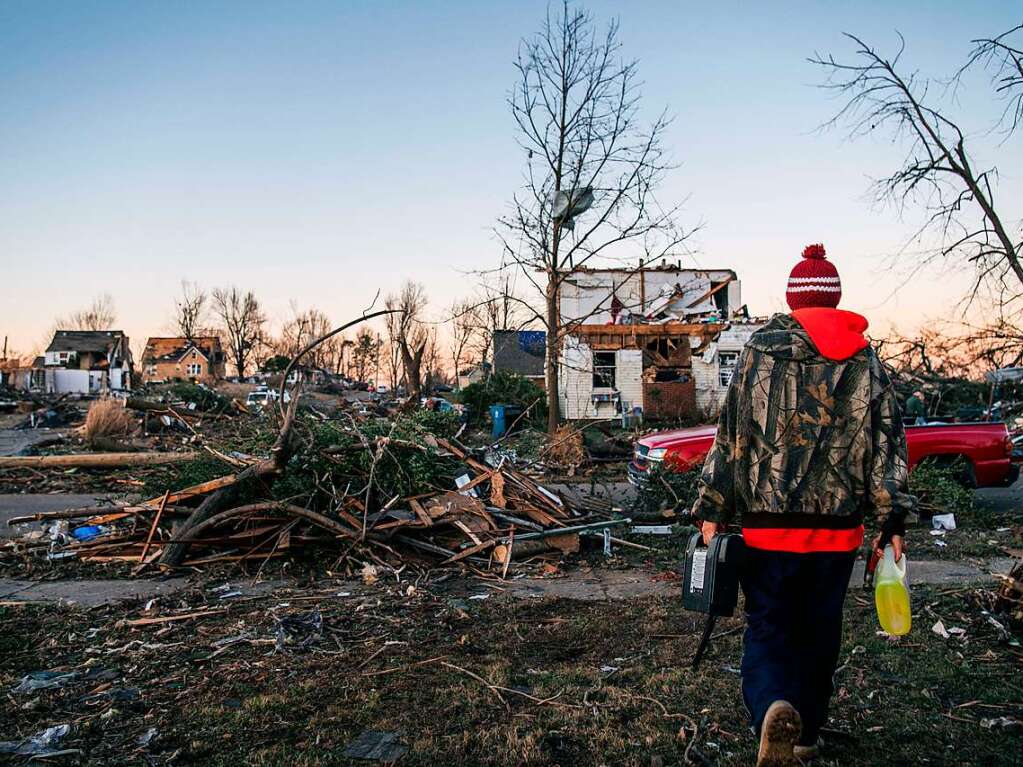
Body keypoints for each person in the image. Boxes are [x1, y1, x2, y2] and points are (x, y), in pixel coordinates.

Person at [692, 243, 915, 766]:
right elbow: (887, 445)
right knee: (820, 630)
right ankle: (807, 732)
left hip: (767, 531)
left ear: (793, 300)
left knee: (769, 625)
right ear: (835, 300)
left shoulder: (757, 353)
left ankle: (772, 707)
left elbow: (731, 438)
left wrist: (712, 507)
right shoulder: (865, 361)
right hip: (836, 532)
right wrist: (891, 521)